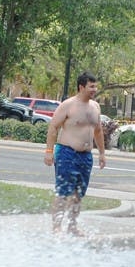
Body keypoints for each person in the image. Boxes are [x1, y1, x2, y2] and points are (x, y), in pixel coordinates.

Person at [44, 71, 105, 235]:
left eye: (95, 86)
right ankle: (56, 227)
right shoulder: (68, 105)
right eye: (91, 86)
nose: (95, 89)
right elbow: (53, 128)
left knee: (78, 193)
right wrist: (49, 151)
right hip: (66, 153)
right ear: (81, 87)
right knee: (63, 192)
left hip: (85, 156)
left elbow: (98, 131)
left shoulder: (95, 107)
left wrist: (102, 153)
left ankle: (72, 226)